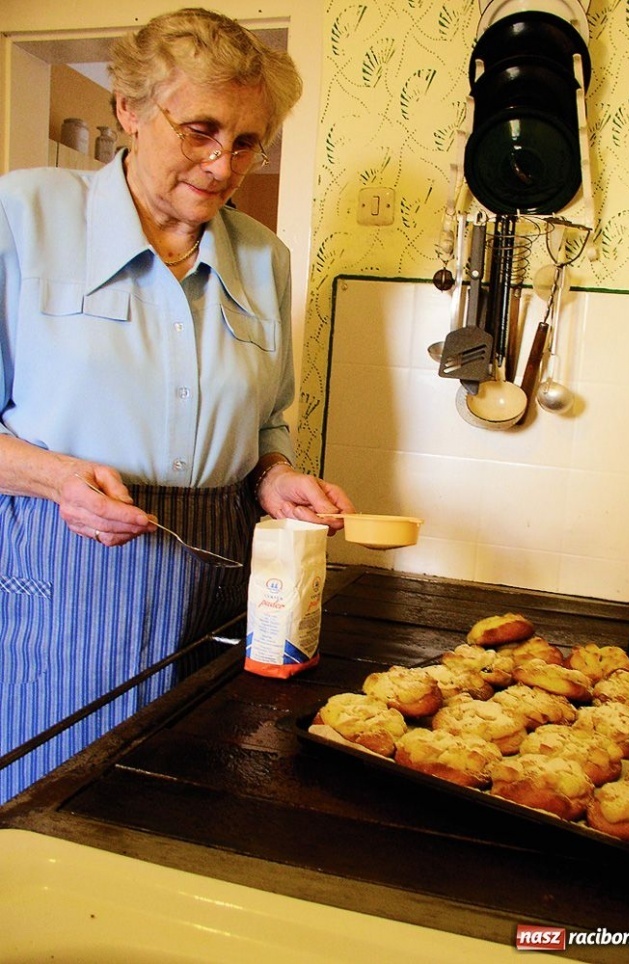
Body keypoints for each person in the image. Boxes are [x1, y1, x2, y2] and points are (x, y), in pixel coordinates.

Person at [0, 7, 354, 803]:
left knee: (187, 803)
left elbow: (265, 423)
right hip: (63, 573)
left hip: (218, 581)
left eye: (246, 141)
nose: (222, 163)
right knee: (53, 807)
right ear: (128, 109)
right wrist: (59, 479)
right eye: (200, 129)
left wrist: (274, 477)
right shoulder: (23, 216)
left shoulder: (264, 257)